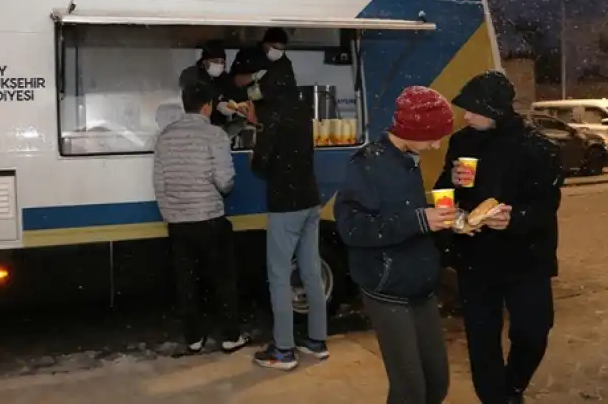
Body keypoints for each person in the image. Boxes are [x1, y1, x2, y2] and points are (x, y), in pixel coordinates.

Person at [434, 71, 562, 404]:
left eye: (473, 109)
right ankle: (495, 398)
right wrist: (452, 185)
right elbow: (440, 193)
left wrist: (515, 219)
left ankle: (513, 386)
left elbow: (547, 206)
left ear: (494, 109)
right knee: (481, 340)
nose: (466, 116)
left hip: (525, 258)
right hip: (476, 258)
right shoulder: (462, 142)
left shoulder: (536, 145)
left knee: (533, 331)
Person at [334, 86, 457, 404]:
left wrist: (450, 222)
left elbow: (402, 210)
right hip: (387, 288)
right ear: (412, 130)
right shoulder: (366, 164)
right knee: (410, 391)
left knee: (437, 385)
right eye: (433, 136)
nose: (436, 145)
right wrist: (419, 220)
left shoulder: (409, 159)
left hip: (420, 284)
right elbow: (353, 229)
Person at [152, 82, 250, 355]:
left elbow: (159, 183)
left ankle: (193, 338)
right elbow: (225, 181)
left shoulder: (165, 137)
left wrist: (170, 214)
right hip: (209, 219)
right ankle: (230, 336)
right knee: (223, 280)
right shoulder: (214, 135)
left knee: (186, 282)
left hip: (179, 224)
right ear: (207, 106)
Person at [249, 87, 328, 371]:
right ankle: (317, 341)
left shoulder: (272, 122)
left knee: (280, 277)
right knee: (311, 270)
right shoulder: (301, 116)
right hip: (310, 200)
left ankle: (283, 351)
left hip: (286, 205)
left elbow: (260, 164)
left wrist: (255, 153)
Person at [179, 40, 241, 126]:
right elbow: (191, 93)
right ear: (205, 62)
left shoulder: (225, 78)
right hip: (194, 123)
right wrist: (217, 103)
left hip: (218, 126)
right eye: (215, 61)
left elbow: (233, 94)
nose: (219, 64)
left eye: (222, 62)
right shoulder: (192, 73)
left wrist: (236, 108)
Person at [230, 27, 297, 103]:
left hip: (273, 109)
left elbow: (291, 90)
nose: (278, 52)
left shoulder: (284, 63)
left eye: (281, 50)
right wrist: (253, 76)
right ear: (265, 44)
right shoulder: (247, 55)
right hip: (245, 105)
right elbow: (234, 81)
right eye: (275, 47)